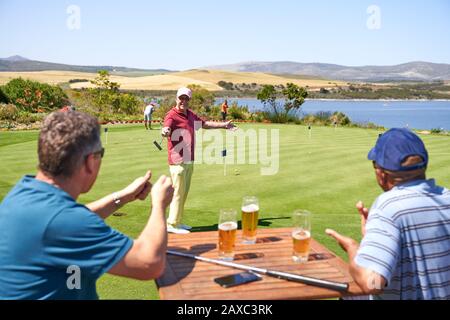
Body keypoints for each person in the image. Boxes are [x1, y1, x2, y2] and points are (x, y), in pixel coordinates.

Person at [0, 111, 174, 300]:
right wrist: (159, 204)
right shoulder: (64, 222)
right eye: (100, 154)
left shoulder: (23, 192)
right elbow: (149, 263)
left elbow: (68, 219)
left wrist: (122, 197)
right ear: (90, 161)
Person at [326, 128, 450, 300]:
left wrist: (353, 249)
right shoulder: (446, 197)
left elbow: (372, 283)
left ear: (381, 173)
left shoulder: (388, 207)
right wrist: (373, 235)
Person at [161, 87, 237, 234]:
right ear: (176, 98)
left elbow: (205, 124)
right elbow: (166, 128)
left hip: (189, 159)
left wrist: (224, 125)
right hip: (178, 161)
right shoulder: (171, 115)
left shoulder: (190, 114)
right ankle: (171, 224)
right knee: (178, 192)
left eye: (186, 98)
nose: (183, 101)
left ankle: (178, 221)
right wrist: (165, 131)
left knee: (184, 193)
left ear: (189, 100)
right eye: (181, 98)